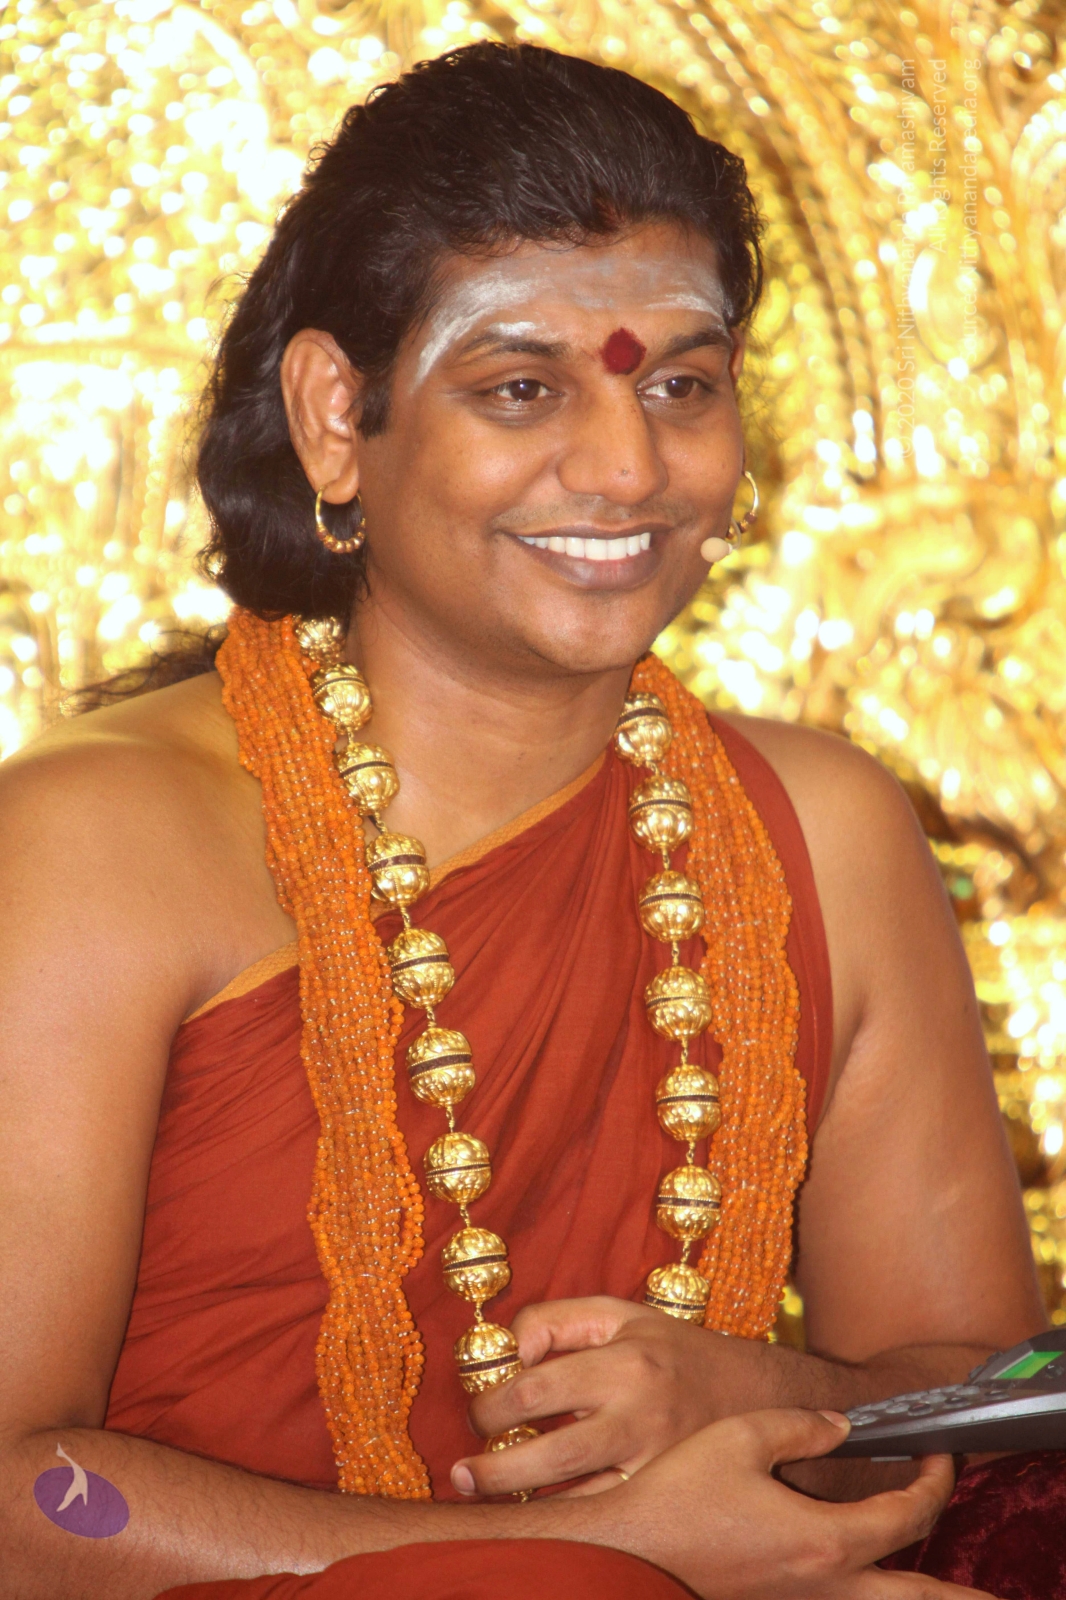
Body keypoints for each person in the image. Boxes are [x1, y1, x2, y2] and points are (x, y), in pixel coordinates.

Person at [0, 40, 1057, 1600]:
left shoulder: (820, 833)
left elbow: (991, 1408)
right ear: (336, 417)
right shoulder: (95, 840)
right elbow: (18, 1498)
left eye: (680, 386)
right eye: (519, 388)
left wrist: (769, 1394)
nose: (626, 467)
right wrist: (583, 1555)